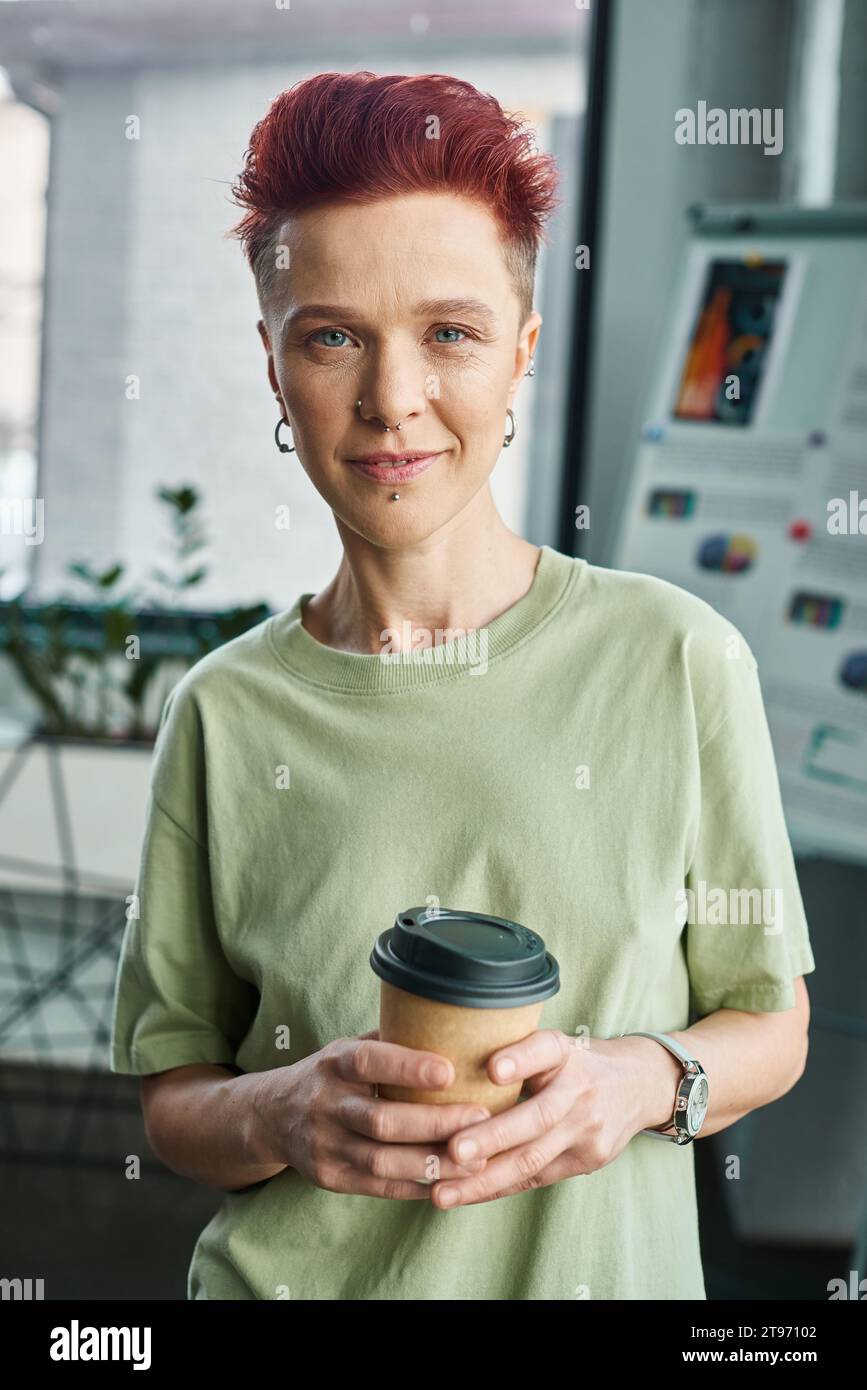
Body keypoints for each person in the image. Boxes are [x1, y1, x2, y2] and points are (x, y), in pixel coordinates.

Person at [110, 70, 815, 1300]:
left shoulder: (680, 659)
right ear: (275, 368)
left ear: (522, 351)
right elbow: (175, 1097)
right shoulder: (224, 715)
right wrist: (281, 1113)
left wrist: (639, 1079)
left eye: (451, 332)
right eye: (332, 335)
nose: (394, 399)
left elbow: (771, 1021)